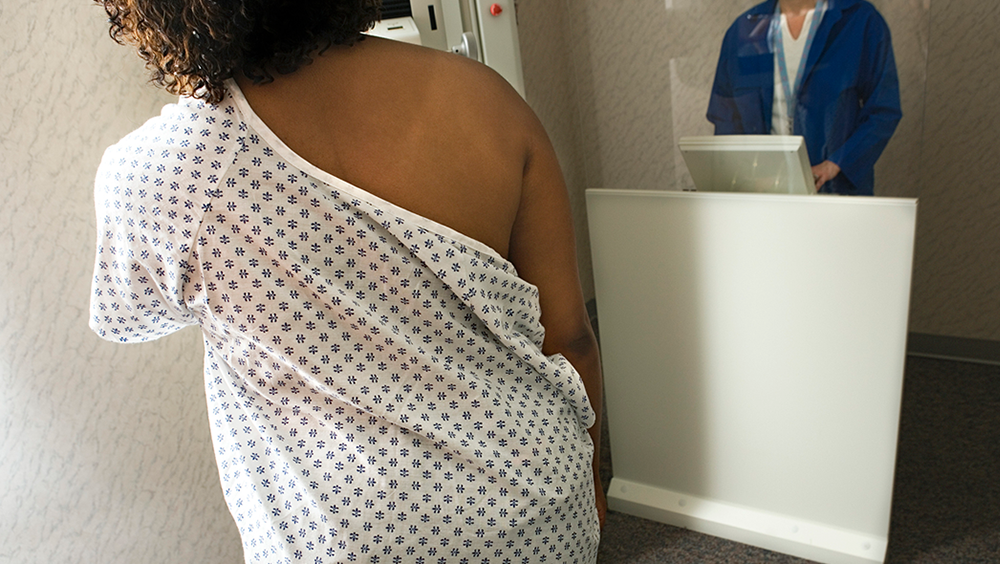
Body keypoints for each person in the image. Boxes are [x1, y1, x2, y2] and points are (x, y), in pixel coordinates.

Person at [89, 1, 605, 562]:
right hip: (546, 504)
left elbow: (127, 317)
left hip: (357, 540)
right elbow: (571, 339)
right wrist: (593, 490)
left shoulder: (160, 174)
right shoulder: (487, 98)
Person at [707, 0, 902, 195]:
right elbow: (726, 119)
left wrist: (836, 163)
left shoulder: (860, 20)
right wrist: (744, 180)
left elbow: (883, 110)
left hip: (833, 193)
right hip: (765, 195)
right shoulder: (744, 31)